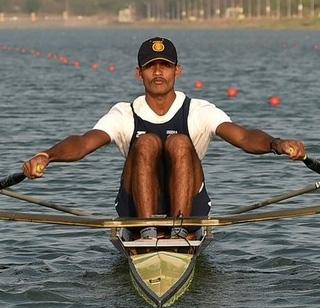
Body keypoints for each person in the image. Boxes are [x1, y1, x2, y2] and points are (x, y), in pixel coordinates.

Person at [23, 37, 305, 239]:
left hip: (189, 208)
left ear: (177, 71)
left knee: (179, 141)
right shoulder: (125, 113)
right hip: (136, 208)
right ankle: (147, 231)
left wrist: (275, 144)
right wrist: (48, 155)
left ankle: (180, 231)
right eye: (150, 66)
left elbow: (243, 137)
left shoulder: (198, 110)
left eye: (165, 65)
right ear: (139, 73)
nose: (158, 72)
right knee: (146, 141)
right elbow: (83, 143)